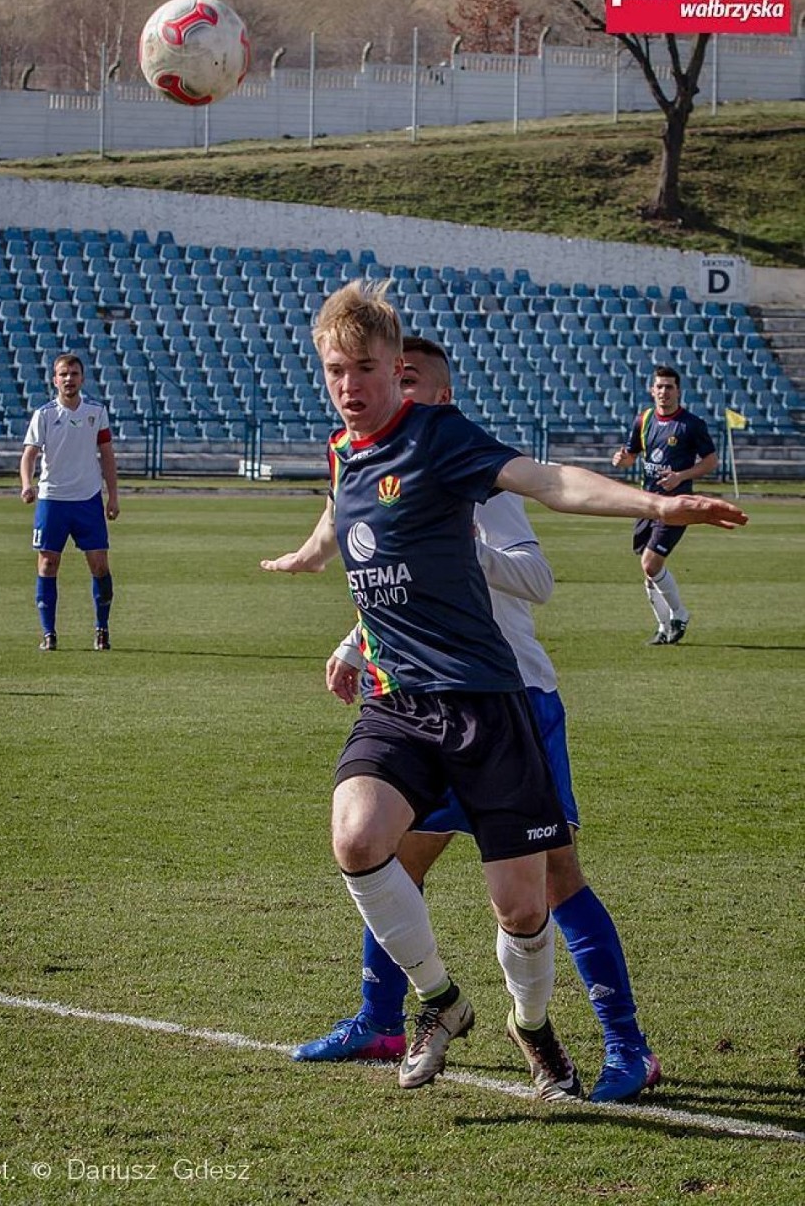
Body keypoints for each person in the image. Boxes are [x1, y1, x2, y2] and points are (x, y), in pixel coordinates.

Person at [261, 280, 745, 1100]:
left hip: (497, 700)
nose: (354, 385)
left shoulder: (449, 444)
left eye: (372, 370)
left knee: (529, 903)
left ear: (411, 378)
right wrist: (317, 563)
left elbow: (551, 485)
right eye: (338, 370)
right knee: (366, 844)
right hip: (402, 699)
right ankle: (429, 1007)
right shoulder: (345, 452)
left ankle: (544, 1029)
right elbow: (358, 534)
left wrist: (658, 501)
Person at [612, 366, 718, 645]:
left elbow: (710, 461)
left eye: (669, 387)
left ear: (678, 391)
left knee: (651, 563)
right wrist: (622, 461)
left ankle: (680, 614)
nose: (663, 391)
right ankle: (663, 628)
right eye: (659, 386)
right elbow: (631, 456)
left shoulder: (691, 424)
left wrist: (681, 476)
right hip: (647, 504)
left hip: (676, 506)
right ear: (652, 390)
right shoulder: (643, 420)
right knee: (648, 572)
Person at [20, 352, 119, 651]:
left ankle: (102, 629)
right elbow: (29, 454)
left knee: (99, 565)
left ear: (82, 378)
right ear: (55, 379)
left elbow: (107, 454)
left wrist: (112, 495)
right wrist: (27, 484)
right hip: (53, 500)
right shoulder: (45, 414)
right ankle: (49, 633)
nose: (69, 379)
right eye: (63, 374)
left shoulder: (96, 411)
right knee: (48, 564)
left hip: (87, 499)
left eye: (74, 374)